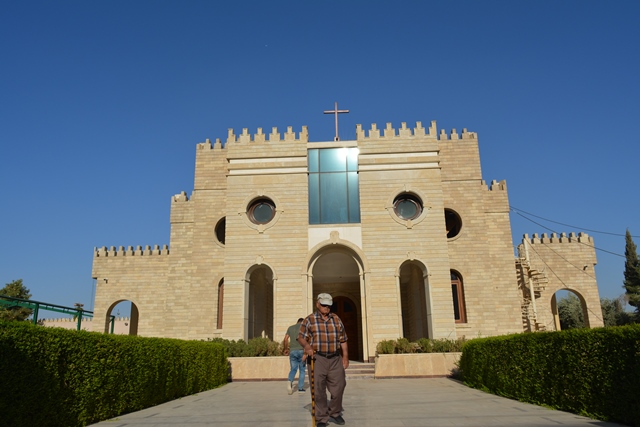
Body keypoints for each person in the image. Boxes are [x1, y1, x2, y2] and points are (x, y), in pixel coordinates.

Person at [298, 293, 349, 427]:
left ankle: (335, 412)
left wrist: (345, 356)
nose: (326, 307)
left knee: (340, 386)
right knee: (318, 389)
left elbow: (343, 339)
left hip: (335, 358)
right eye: (324, 305)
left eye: (329, 305)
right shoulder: (309, 320)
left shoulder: (336, 319)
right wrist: (307, 347)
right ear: (317, 304)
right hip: (318, 358)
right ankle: (321, 418)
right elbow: (301, 337)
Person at [283, 317, 306, 395]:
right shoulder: (304, 328)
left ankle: (290, 381)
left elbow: (285, 339)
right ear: (302, 322)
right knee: (302, 370)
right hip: (301, 350)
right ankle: (300, 388)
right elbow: (307, 339)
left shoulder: (290, 328)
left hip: (292, 351)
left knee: (293, 369)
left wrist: (286, 349)